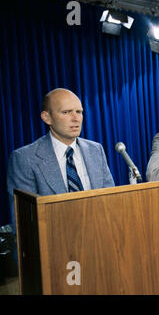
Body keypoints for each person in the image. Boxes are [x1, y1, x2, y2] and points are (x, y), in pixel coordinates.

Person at [7, 88, 115, 233]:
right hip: (55, 246)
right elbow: (25, 224)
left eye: (79, 112)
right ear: (47, 117)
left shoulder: (96, 150)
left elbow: (111, 203)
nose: (76, 118)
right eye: (66, 112)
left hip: (100, 238)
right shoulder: (25, 158)